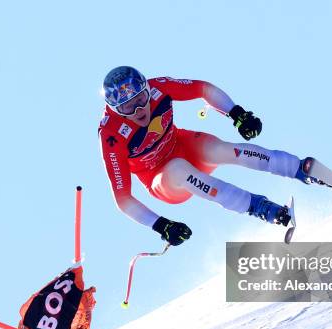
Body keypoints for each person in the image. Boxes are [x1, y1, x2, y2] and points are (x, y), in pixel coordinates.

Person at [98, 66, 320, 246]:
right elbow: (123, 199)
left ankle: (298, 168)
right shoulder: (111, 135)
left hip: (183, 146)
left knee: (221, 150)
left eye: (140, 99)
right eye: (127, 107)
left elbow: (203, 89)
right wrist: (160, 225)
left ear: (147, 89)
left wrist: (237, 114)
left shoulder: (159, 88)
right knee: (177, 169)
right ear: (115, 110)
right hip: (163, 180)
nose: (138, 110)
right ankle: (263, 208)